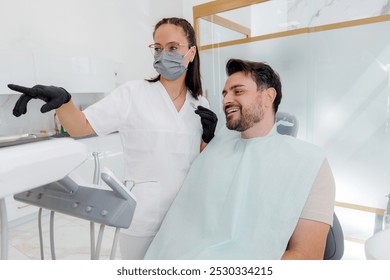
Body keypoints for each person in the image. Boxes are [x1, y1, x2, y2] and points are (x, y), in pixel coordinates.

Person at [8, 17, 218, 259]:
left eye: (172, 47)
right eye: (158, 48)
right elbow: (81, 126)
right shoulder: (133, 94)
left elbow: (200, 161)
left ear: (191, 53)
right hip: (142, 219)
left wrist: (208, 138)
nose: (164, 54)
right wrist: (64, 101)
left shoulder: (200, 104)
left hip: (184, 216)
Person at [144, 58, 335, 260]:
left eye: (238, 91)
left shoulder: (308, 161)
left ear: (268, 96)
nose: (226, 100)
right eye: (225, 93)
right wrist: (206, 144)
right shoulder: (217, 147)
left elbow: (306, 256)